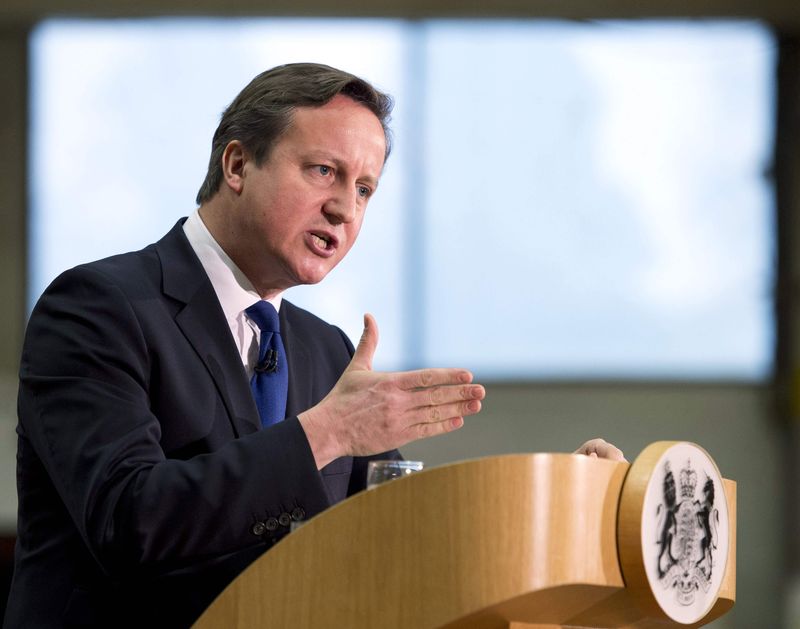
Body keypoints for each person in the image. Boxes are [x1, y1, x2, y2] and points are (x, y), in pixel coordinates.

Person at [5, 62, 622, 628]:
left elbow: (405, 539)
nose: (343, 209)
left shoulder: (325, 352)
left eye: (364, 190)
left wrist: (564, 502)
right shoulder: (99, 307)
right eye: (324, 171)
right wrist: (326, 432)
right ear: (239, 166)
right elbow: (127, 520)